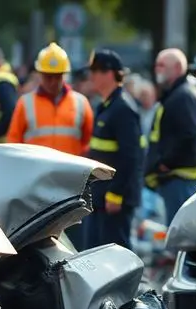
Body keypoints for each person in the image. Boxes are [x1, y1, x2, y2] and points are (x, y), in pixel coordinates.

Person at [82, 49, 142, 250]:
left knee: (116, 254)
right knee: (96, 251)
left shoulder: (123, 108)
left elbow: (130, 157)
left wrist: (116, 194)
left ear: (109, 73)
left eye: (96, 71)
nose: (92, 76)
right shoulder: (107, 105)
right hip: (101, 196)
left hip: (114, 199)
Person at [144, 48, 196, 224]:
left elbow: (188, 135)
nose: (157, 69)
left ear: (178, 68)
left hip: (180, 177)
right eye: (156, 65)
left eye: (162, 65)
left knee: (182, 231)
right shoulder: (177, 94)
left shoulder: (183, 96)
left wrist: (165, 163)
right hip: (176, 177)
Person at [6, 42, 93, 156]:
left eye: (57, 77)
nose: (53, 82)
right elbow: (14, 141)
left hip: (69, 171)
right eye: (48, 77)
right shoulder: (25, 103)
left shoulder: (81, 103)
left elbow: (88, 142)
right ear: (40, 74)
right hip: (37, 171)